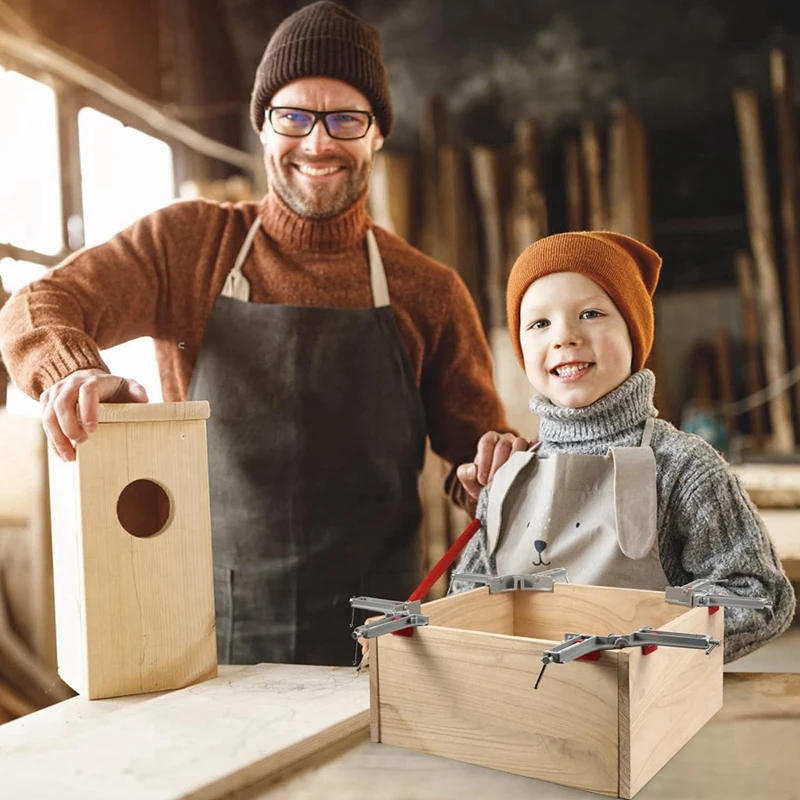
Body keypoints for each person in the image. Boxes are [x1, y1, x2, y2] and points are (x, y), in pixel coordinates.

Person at [0, 1, 526, 666]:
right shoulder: (189, 245)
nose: (317, 142)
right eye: (294, 116)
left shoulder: (429, 290)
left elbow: (474, 458)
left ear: (377, 136)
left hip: (382, 649)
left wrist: (495, 470)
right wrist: (68, 370)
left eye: (345, 118)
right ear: (264, 126)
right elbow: (37, 302)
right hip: (211, 638)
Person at [450, 231, 795, 662]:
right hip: (522, 712)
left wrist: (649, 641)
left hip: (642, 715)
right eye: (540, 323)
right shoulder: (510, 475)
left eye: (591, 313)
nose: (564, 337)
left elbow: (759, 595)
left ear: (634, 333)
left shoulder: (685, 467)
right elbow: (465, 602)